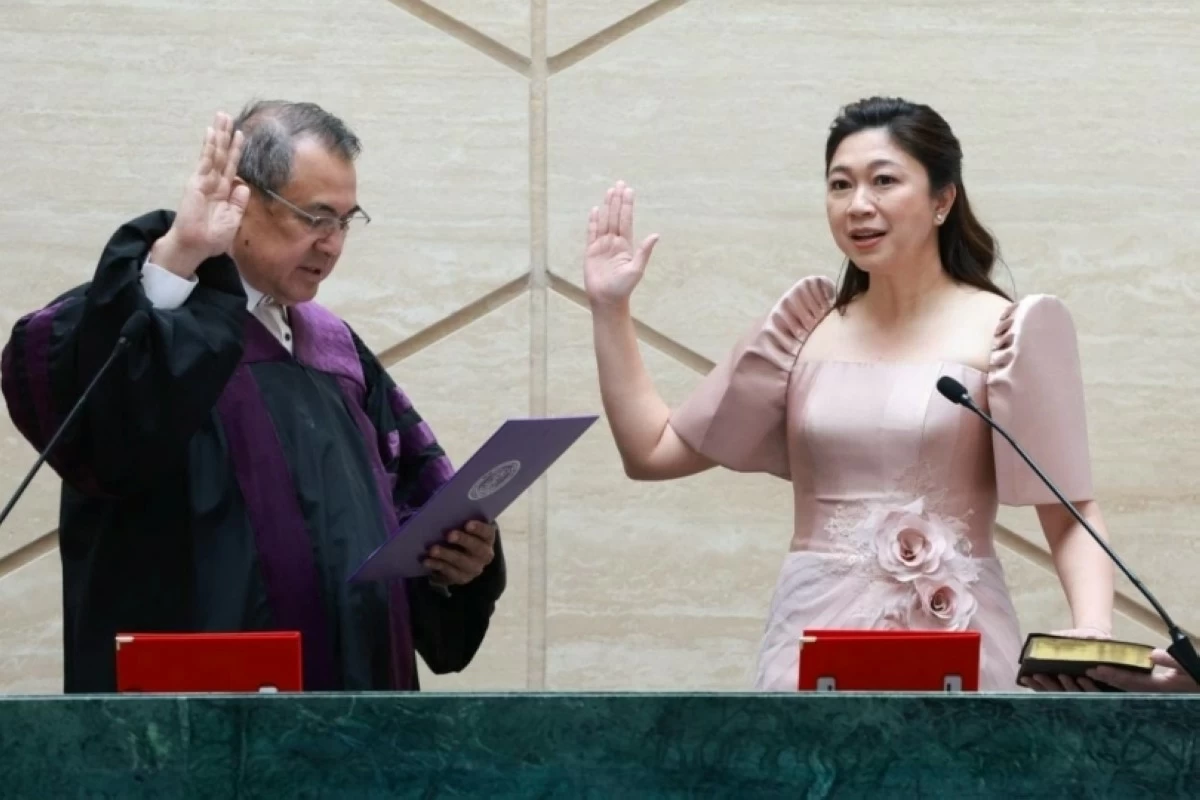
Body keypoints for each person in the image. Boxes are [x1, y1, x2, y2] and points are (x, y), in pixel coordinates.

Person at [583, 96, 1114, 692]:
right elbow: (651, 451)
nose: (858, 205)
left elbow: (1068, 508)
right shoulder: (800, 330)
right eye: (840, 185)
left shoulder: (1008, 331)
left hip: (959, 634)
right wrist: (610, 307)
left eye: (884, 181)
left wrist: (1090, 632)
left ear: (943, 200)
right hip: (811, 640)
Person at [0, 101, 506, 693]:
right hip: (199, 709)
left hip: (356, 711)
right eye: (314, 217)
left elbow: (410, 505)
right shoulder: (150, 320)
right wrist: (178, 255)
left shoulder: (337, 350)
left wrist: (457, 565)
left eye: (346, 220)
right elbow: (85, 415)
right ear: (240, 198)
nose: (332, 244)